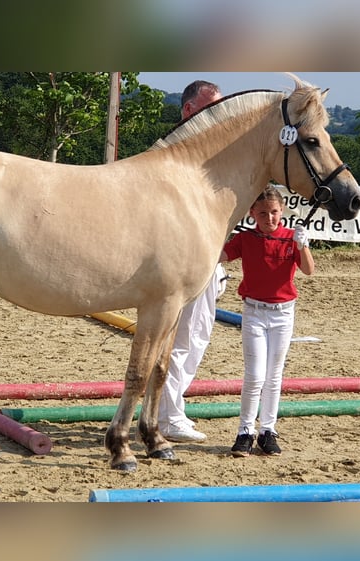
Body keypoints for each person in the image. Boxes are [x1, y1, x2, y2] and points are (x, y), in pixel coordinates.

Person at [220, 185, 314, 457]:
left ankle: (267, 430)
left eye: (273, 212)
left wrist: (302, 245)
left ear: (281, 211)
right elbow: (220, 255)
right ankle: (245, 431)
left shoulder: (290, 238)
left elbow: (308, 270)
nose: (269, 218)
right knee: (254, 375)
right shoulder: (246, 239)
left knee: (274, 375)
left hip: (283, 312)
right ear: (252, 214)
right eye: (263, 213)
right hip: (254, 312)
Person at [158, 80, 228, 443]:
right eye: (211, 107)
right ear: (189, 110)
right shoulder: (186, 155)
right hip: (186, 255)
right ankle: (169, 414)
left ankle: (169, 410)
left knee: (193, 336)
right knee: (187, 336)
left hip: (202, 253)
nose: (219, 115)